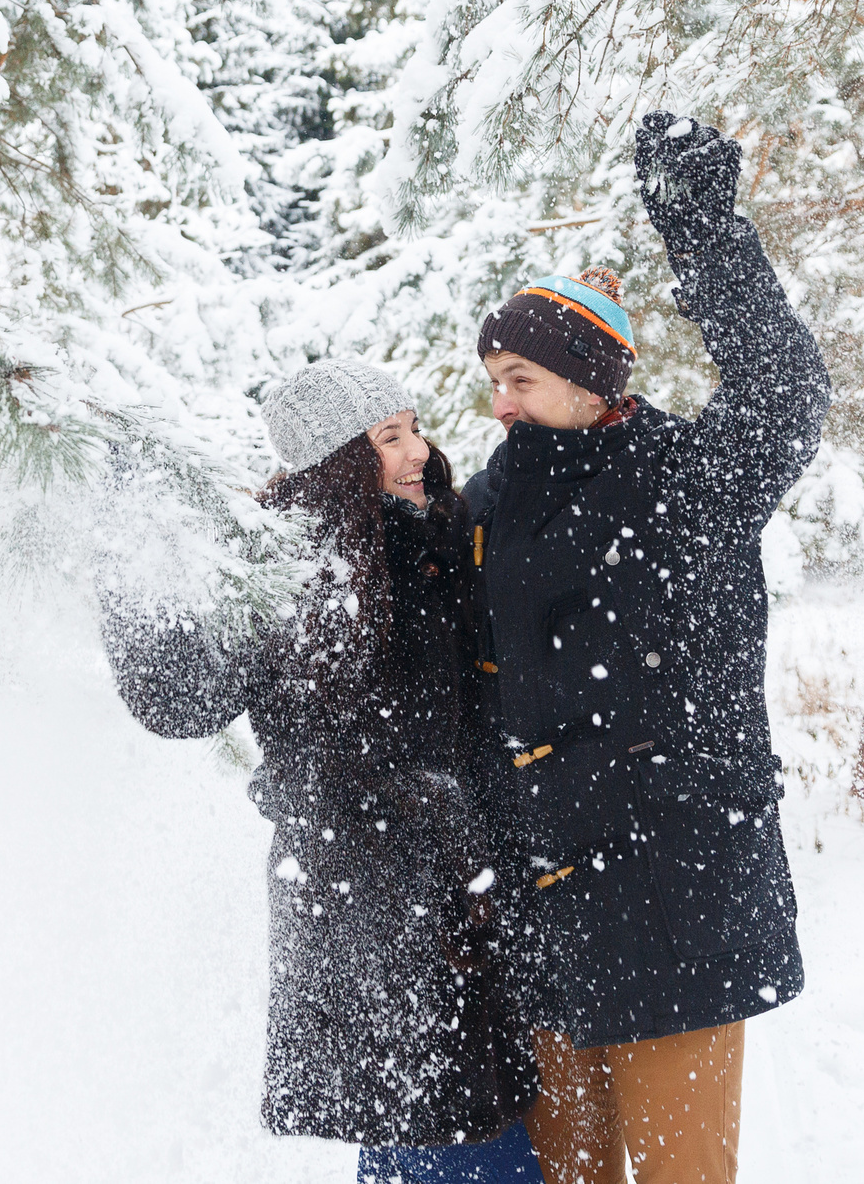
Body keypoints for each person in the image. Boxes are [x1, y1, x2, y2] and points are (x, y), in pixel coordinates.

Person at [464, 112, 831, 1184]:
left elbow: (781, 392)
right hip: (540, 899)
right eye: (493, 377)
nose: (499, 399)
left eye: (520, 377)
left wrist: (702, 229)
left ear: (591, 381)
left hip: (675, 891)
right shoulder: (491, 499)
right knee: (565, 1175)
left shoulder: (690, 485)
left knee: (680, 1175)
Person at [102, 360, 543, 1181]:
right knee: (438, 1140)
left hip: (452, 893)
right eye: (390, 436)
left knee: (444, 1137)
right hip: (359, 906)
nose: (419, 450)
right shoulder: (287, 577)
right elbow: (176, 695)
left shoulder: (431, 539)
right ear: (341, 461)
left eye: (414, 426)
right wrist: (126, 538)